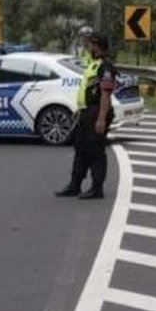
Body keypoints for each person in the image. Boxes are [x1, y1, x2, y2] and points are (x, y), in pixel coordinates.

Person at [55, 31, 118, 200]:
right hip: (87, 112)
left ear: (97, 46)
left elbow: (105, 94)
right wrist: (80, 109)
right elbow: (88, 90)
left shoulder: (106, 66)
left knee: (95, 151)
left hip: (97, 112)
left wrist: (101, 118)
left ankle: (97, 188)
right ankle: (75, 185)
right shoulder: (93, 64)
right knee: (81, 149)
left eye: (90, 43)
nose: (88, 46)